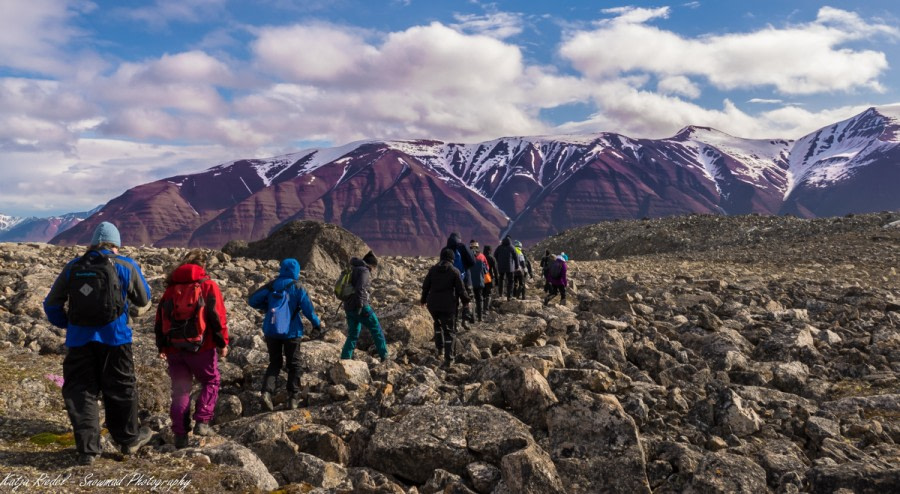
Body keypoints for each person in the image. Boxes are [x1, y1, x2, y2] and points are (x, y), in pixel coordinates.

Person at [43, 221, 153, 465]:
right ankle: (128, 441)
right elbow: (144, 297)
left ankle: (88, 450)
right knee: (121, 388)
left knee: (81, 391)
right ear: (116, 245)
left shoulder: (73, 267)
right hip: (116, 339)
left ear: (92, 243)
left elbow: (51, 304)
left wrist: (68, 324)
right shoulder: (126, 265)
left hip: (79, 340)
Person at [155, 249, 229, 448]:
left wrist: (162, 345)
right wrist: (223, 343)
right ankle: (202, 422)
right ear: (202, 266)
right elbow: (217, 316)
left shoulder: (171, 289)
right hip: (202, 347)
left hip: (174, 348)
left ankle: (180, 435)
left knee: (180, 390)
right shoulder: (208, 285)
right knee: (211, 380)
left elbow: (160, 318)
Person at [249, 258, 322, 411]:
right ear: (296, 271)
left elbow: (253, 300)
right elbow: (309, 310)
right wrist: (317, 325)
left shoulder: (272, 285)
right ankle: (293, 398)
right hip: (292, 332)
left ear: (282, 269)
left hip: (272, 330)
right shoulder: (298, 287)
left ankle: (267, 393)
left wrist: (268, 307)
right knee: (294, 364)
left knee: (275, 363)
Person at [421, 248, 470, 365]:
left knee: (437, 326)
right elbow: (461, 289)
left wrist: (423, 300)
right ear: (452, 258)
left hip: (433, 305)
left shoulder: (433, 269)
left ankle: (439, 350)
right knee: (449, 331)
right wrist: (466, 302)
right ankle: (449, 359)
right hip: (448, 305)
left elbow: (425, 286)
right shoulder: (454, 271)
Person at [340, 251, 389, 362]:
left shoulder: (353, 268)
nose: (374, 269)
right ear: (371, 264)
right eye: (374, 266)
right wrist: (361, 306)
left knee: (352, 334)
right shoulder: (364, 271)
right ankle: (384, 357)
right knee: (376, 329)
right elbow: (360, 289)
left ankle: (345, 358)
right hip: (360, 307)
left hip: (348, 306)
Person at [445, 233, 476, 326]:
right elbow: (472, 262)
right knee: (467, 299)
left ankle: (454, 324)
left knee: (454, 302)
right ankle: (465, 320)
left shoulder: (445, 249)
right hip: (465, 279)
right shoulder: (463, 247)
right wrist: (466, 268)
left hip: (451, 281)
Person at [493, 236, 519, 301]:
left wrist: (498, 261)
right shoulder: (512, 247)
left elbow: (495, 255)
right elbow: (516, 257)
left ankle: (500, 294)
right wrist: (516, 266)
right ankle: (509, 296)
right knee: (510, 281)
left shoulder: (499, 247)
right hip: (510, 267)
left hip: (501, 267)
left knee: (501, 280)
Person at [468, 240, 488, 322]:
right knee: (479, 299)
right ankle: (480, 317)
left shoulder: (467, 257)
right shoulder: (482, 256)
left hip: (469, 282)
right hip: (479, 281)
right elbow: (487, 269)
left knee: (470, 300)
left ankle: (472, 317)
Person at [481, 245, 498, 314]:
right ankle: (486, 309)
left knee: (482, 293)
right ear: (490, 250)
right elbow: (495, 270)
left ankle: (480, 309)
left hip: (481, 277)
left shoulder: (481, 257)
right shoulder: (492, 258)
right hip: (489, 277)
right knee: (488, 293)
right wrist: (497, 279)